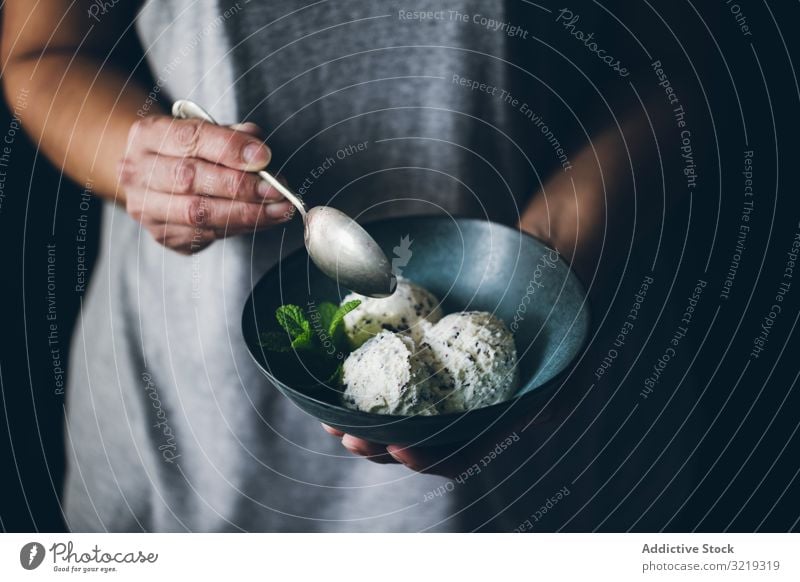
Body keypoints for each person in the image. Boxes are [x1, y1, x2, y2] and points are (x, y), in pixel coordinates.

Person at [2, 0, 697, 531]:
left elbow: (687, 55)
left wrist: (548, 262)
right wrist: (143, 162)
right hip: (189, 400)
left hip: (546, 363)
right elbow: (40, 52)